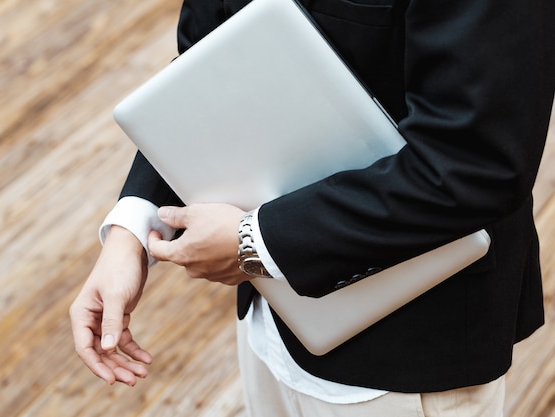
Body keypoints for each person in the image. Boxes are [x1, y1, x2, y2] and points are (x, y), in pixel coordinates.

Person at [70, 0, 555, 415]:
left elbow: (476, 163)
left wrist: (254, 243)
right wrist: (131, 230)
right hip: (267, 327)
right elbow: (206, 54)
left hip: (408, 359)